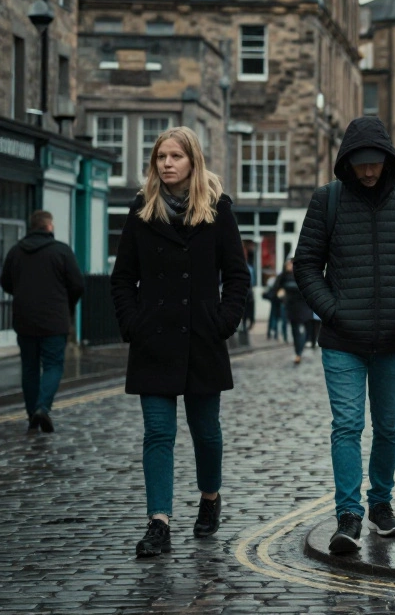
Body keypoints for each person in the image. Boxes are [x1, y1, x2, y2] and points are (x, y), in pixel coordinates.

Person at [294, 116, 395, 554]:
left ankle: (381, 505)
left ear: (388, 160)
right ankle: (349, 515)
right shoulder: (327, 200)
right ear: (348, 162)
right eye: (361, 164)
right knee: (347, 426)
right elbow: (305, 265)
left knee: (389, 427)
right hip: (342, 341)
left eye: (376, 163)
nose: (369, 172)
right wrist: (334, 311)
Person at [109, 126, 250, 558]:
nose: (167, 164)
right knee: (158, 433)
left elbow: (237, 275)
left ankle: (209, 498)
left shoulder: (217, 210)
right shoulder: (141, 211)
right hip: (154, 340)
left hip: (202, 339)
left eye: (175, 156)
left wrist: (222, 321)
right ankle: (159, 522)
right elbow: (121, 279)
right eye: (160, 157)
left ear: (193, 161)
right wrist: (134, 323)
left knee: (206, 432)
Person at [0, 210, 85, 432]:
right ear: (49, 226)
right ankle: (42, 408)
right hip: (54, 321)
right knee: (53, 366)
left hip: (24, 319)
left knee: (29, 368)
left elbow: (6, 283)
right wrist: (67, 304)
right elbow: (78, 284)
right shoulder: (61, 251)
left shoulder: (16, 251)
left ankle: (32, 416)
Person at [268, 259, 312, 364]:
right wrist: (275, 296)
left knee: (305, 329)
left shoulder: (301, 275)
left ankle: (300, 350)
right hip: (291, 306)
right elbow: (274, 290)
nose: (290, 265)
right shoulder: (283, 276)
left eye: (291, 263)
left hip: (303, 306)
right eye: (288, 263)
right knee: (295, 330)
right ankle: (298, 353)